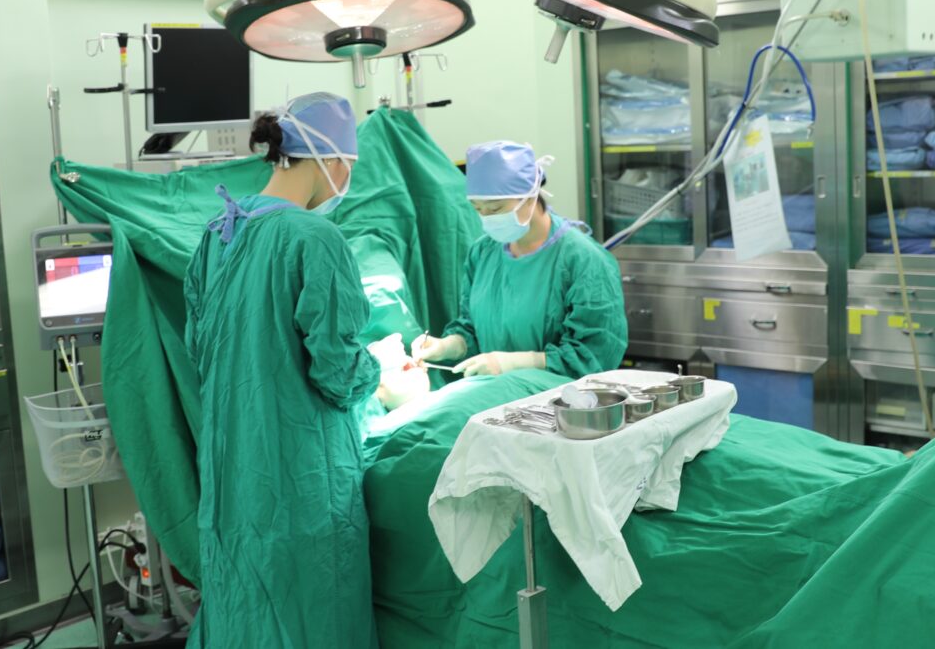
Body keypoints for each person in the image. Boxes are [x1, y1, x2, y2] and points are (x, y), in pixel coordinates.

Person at [184, 92, 380, 648]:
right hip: (299, 474)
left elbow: (200, 346)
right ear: (330, 159)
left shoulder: (218, 232)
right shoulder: (315, 238)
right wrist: (380, 373)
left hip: (230, 466)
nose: (347, 179)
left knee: (241, 596)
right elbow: (337, 370)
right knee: (311, 608)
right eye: (349, 164)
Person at [412, 140, 628, 379]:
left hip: (559, 395)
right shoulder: (482, 253)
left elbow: (594, 354)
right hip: (496, 391)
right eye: (477, 209)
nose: (486, 217)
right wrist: (447, 346)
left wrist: (515, 363)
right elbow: (471, 328)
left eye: (495, 209)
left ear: (530, 196)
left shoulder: (584, 260)